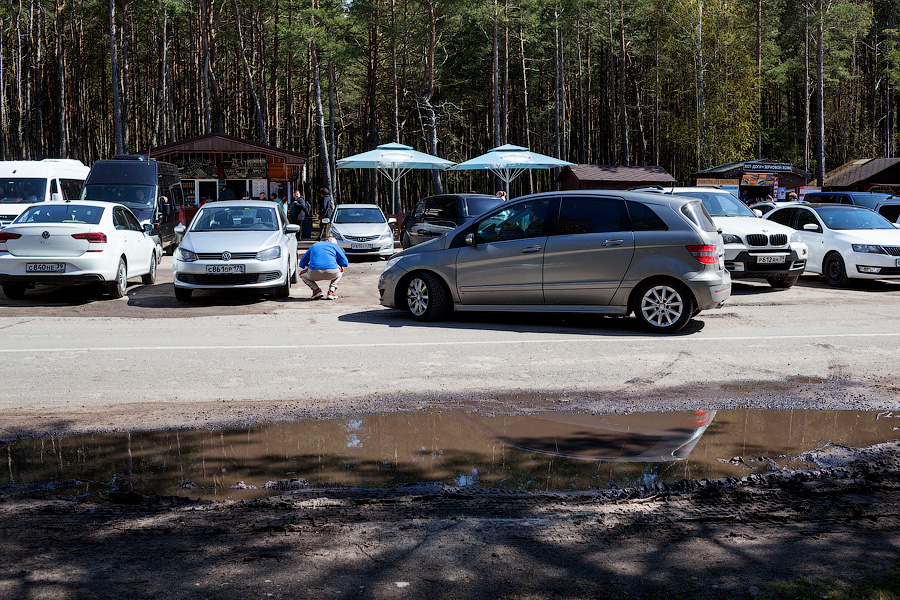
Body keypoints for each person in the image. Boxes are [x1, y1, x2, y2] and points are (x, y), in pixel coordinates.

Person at [298, 236, 348, 300]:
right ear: (329, 240)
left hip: (314, 273)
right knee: (341, 270)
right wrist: (336, 263)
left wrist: (310, 266)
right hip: (332, 272)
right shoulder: (335, 246)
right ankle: (332, 291)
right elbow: (345, 263)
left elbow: (301, 264)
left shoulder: (314, 246)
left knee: (302, 274)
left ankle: (316, 290)